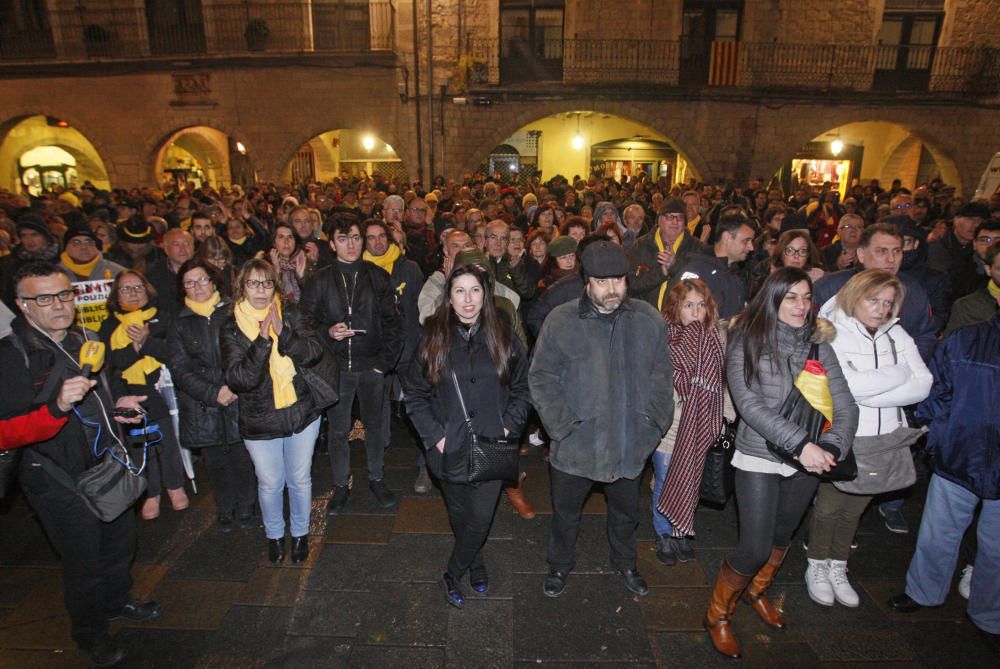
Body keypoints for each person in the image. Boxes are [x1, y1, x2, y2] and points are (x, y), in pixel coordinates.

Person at [0, 261, 159, 668]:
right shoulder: (12, 356)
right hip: (54, 476)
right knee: (83, 559)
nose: (59, 305)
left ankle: (118, 601)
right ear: (23, 305)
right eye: (45, 298)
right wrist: (56, 406)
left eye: (65, 294)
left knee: (120, 541)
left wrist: (119, 406)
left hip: (104, 462)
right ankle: (90, 635)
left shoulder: (83, 339)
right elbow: (6, 432)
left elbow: (100, 395)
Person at [703, 267, 857, 659]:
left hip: (810, 458)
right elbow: (748, 403)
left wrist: (832, 447)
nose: (801, 305)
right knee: (753, 547)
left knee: (782, 536)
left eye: (806, 297)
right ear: (771, 298)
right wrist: (801, 444)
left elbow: (845, 404)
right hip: (760, 454)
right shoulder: (746, 338)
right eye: (791, 297)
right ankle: (718, 614)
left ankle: (756, 592)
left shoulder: (819, 343)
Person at [530, 241, 674, 598]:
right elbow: (541, 377)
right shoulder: (561, 320)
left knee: (626, 514)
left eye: (618, 281)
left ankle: (625, 562)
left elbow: (661, 377)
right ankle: (559, 565)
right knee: (565, 515)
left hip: (629, 442)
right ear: (586, 281)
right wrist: (562, 428)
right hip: (575, 445)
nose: (612, 289)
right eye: (602, 281)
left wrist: (652, 425)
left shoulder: (648, 320)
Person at [404, 264, 531, 607]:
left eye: (475, 290)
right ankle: (475, 561)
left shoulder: (502, 332)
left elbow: (523, 387)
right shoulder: (433, 334)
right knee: (460, 516)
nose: (468, 299)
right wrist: (436, 436)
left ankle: (451, 572)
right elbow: (414, 394)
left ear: (485, 294)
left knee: (480, 517)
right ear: (449, 296)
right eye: (459, 291)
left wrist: (508, 426)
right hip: (449, 447)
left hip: (493, 443)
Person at [807, 270, 931, 607]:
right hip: (845, 436)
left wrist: (873, 392)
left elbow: (924, 383)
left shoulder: (898, 335)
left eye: (888, 303)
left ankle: (838, 565)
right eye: (873, 300)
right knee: (831, 506)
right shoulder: (832, 331)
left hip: (884, 438)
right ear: (855, 295)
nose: (880, 309)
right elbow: (847, 387)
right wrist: (899, 373)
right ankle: (816, 564)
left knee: (856, 508)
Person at [890, 312, 1000, 636]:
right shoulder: (966, 339)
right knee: (939, 531)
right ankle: (923, 591)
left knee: (996, 547)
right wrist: (937, 436)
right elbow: (937, 393)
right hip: (959, 453)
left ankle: (990, 613)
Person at [221, 259, 328, 565]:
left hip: (300, 411)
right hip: (259, 417)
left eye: (267, 283)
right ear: (242, 287)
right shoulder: (230, 325)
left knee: (299, 478)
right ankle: (274, 535)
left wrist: (285, 333)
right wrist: (264, 342)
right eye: (253, 283)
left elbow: (314, 352)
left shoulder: (290, 312)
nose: (261, 290)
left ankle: (299, 534)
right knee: (270, 482)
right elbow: (240, 378)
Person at [300, 217, 403, 514]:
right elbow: (306, 323)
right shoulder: (319, 281)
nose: (351, 244)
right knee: (338, 430)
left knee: (375, 426)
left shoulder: (377, 277)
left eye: (356, 238)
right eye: (343, 238)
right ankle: (340, 484)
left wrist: (384, 364)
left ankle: (376, 477)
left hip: (371, 367)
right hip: (336, 368)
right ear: (331, 243)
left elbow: (395, 323)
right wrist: (327, 332)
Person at [168, 258, 257, 532]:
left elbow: (251, 352)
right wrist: (212, 392)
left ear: (213, 280)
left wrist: (233, 386)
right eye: (189, 283)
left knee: (243, 456)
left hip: (237, 393)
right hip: (201, 403)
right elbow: (179, 368)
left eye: (202, 280)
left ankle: (248, 505)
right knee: (215, 462)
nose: (197, 287)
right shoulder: (180, 322)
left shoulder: (235, 311)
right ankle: (225, 507)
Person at [652, 279, 733, 565]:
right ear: (676, 308)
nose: (696, 311)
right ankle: (664, 532)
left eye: (701, 305)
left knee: (692, 478)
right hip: (671, 424)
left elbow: (724, 383)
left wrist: (724, 418)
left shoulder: (716, 336)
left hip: (702, 423)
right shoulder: (664, 336)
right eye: (689, 305)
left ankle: (681, 530)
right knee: (665, 479)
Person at [98, 269, 188, 521]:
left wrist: (147, 342)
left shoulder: (161, 318)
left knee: (167, 442)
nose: (133, 293)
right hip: (126, 390)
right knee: (138, 445)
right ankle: (151, 492)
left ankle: (174, 484)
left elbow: (174, 352)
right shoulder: (109, 325)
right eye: (126, 289)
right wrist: (134, 348)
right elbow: (111, 364)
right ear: (116, 294)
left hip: (159, 390)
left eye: (138, 287)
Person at [629, 198, 709, 310]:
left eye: (680, 217)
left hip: (682, 320)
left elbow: (702, 285)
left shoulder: (697, 248)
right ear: (659, 220)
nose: (675, 222)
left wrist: (675, 267)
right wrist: (661, 273)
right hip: (647, 317)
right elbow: (631, 286)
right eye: (670, 217)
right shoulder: (641, 245)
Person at [673, 214, 757, 320]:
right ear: (727, 237)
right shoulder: (696, 272)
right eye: (746, 241)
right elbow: (678, 318)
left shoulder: (736, 276)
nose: (751, 247)